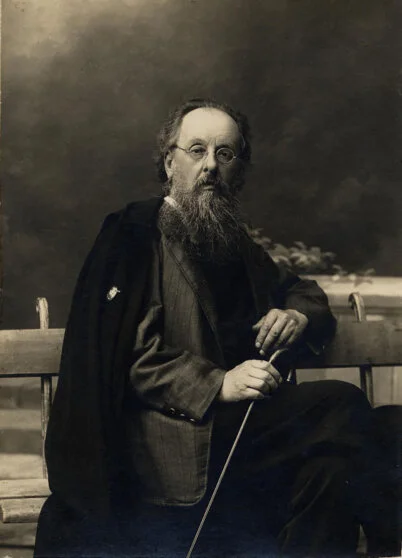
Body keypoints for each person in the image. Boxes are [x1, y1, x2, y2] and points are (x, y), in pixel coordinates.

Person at [34, 99, 387, 557]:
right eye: (197, 150)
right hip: (180, 438)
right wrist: (219, 383)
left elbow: (303, 291)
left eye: (224, 153)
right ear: (169, 162)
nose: (210, 166)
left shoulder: (230, 240)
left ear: (238, 169)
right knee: (342, 404)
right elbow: (133, 357)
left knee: (339, 465)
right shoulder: (135, 233)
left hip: (247, 433)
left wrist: (296, 315)